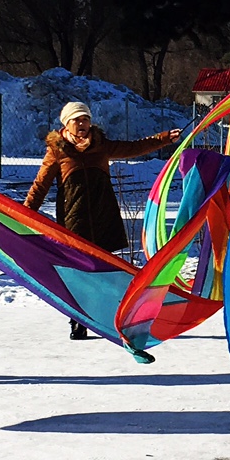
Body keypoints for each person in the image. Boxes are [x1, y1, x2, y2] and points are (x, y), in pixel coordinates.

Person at [24, 101, 182, 338]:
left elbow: (133, 147)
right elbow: (40, 185)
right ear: (67, 123)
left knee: (103, 269)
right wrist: (25, 213)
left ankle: (105, 318)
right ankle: (78, 320)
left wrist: (163, 139)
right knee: (79, 271)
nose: (82, 124)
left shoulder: (101, 145)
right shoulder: (58, 150)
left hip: (103, 215)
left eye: (85, 119)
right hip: (73, 220)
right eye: (77, 120)